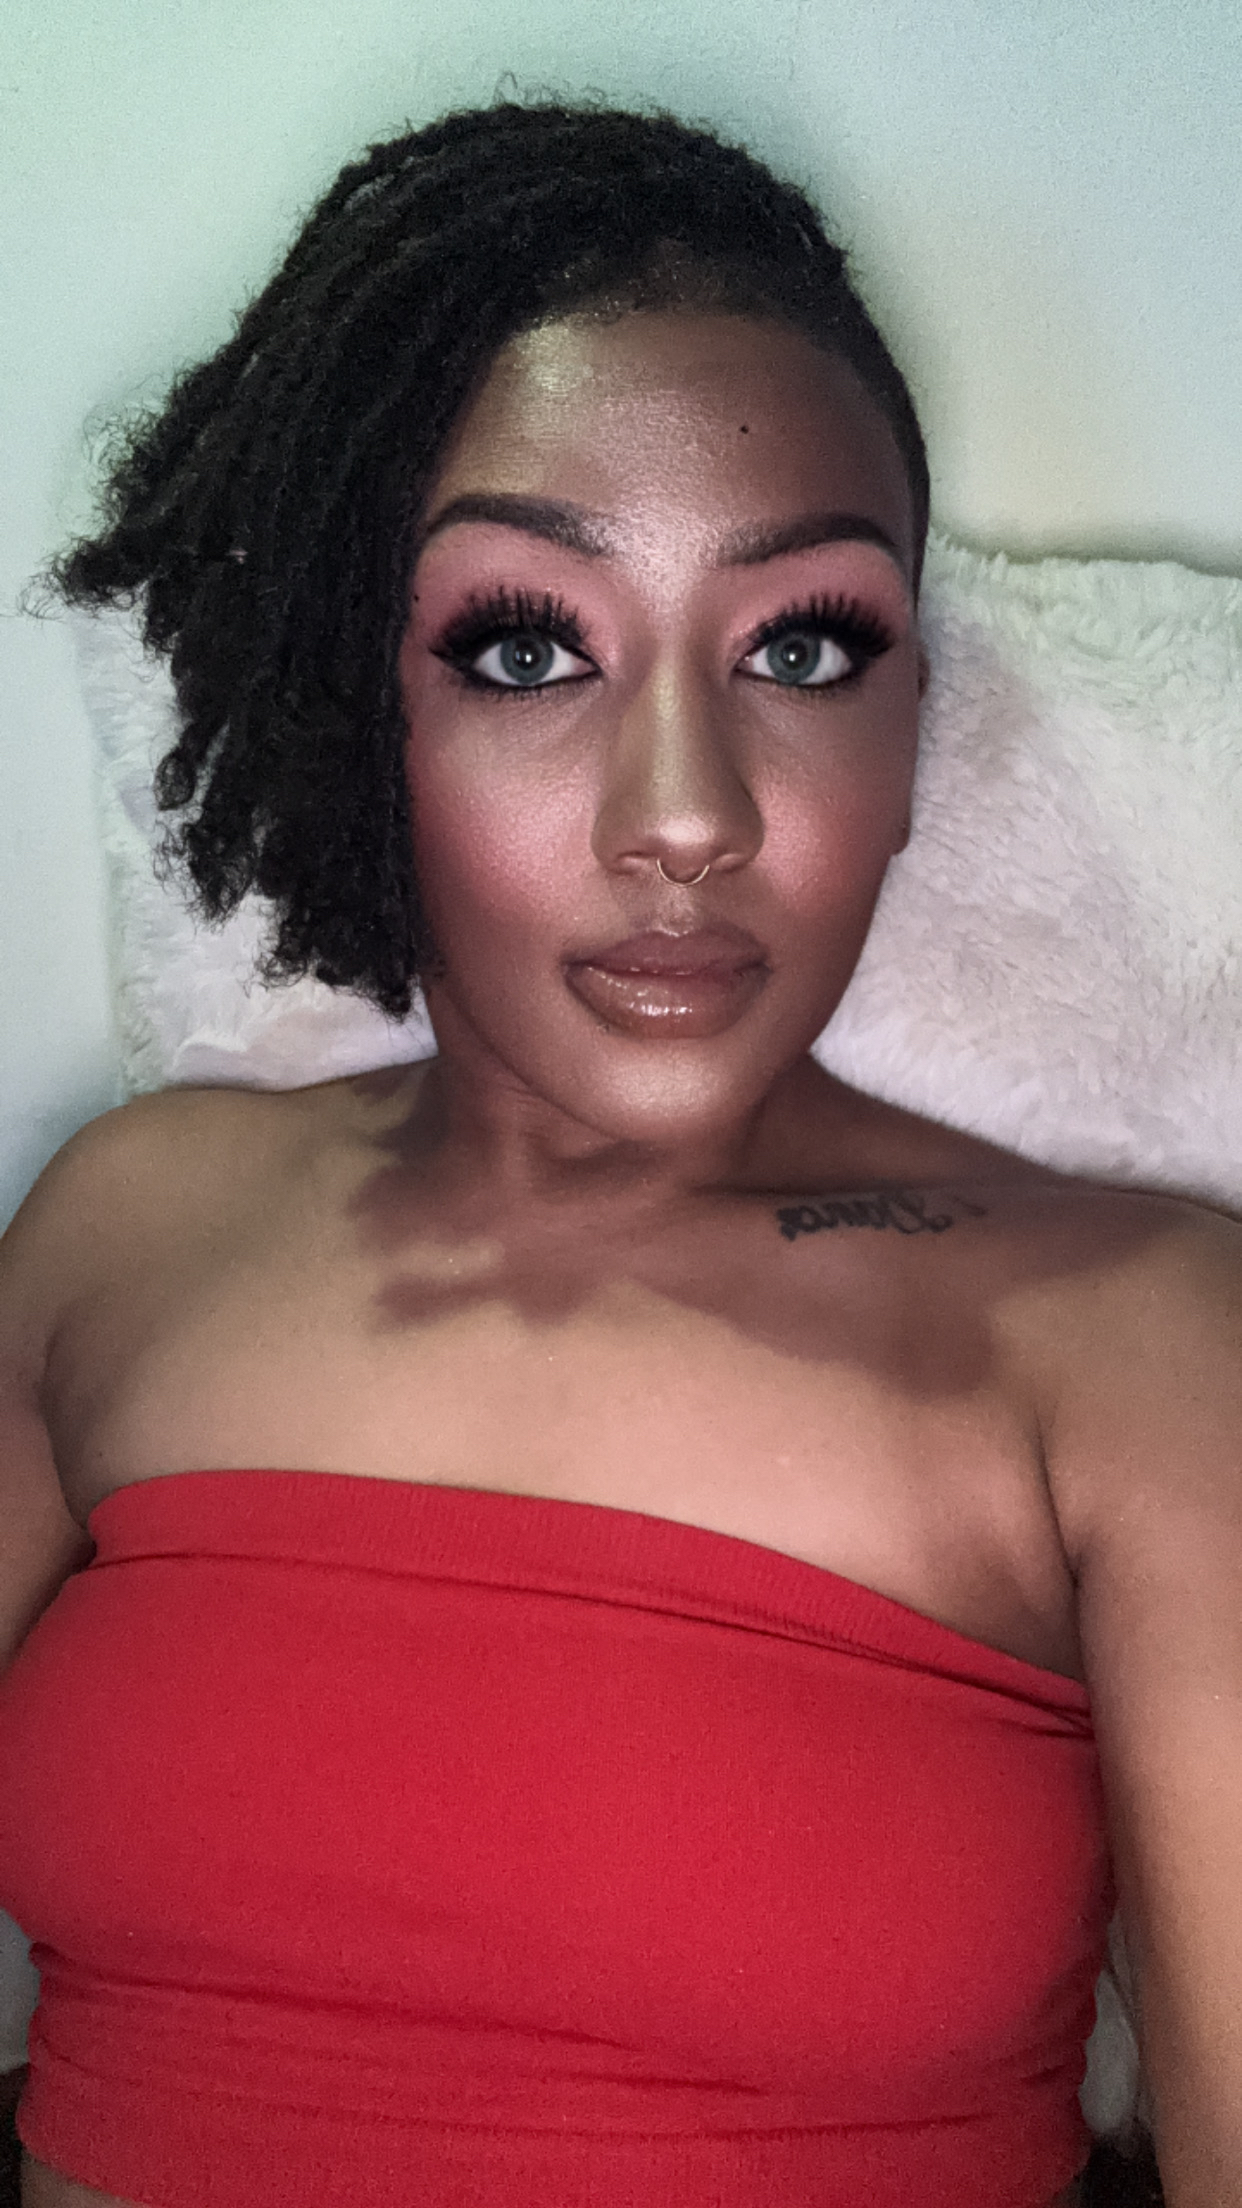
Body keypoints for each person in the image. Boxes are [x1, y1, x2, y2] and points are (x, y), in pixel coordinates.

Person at [0, 98, 1237, 2208]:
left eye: (805, 648)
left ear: (912, 735)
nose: (689, 815)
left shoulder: (1137, 1334)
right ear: (361, 711)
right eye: (527, 646)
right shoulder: (127, 1223)